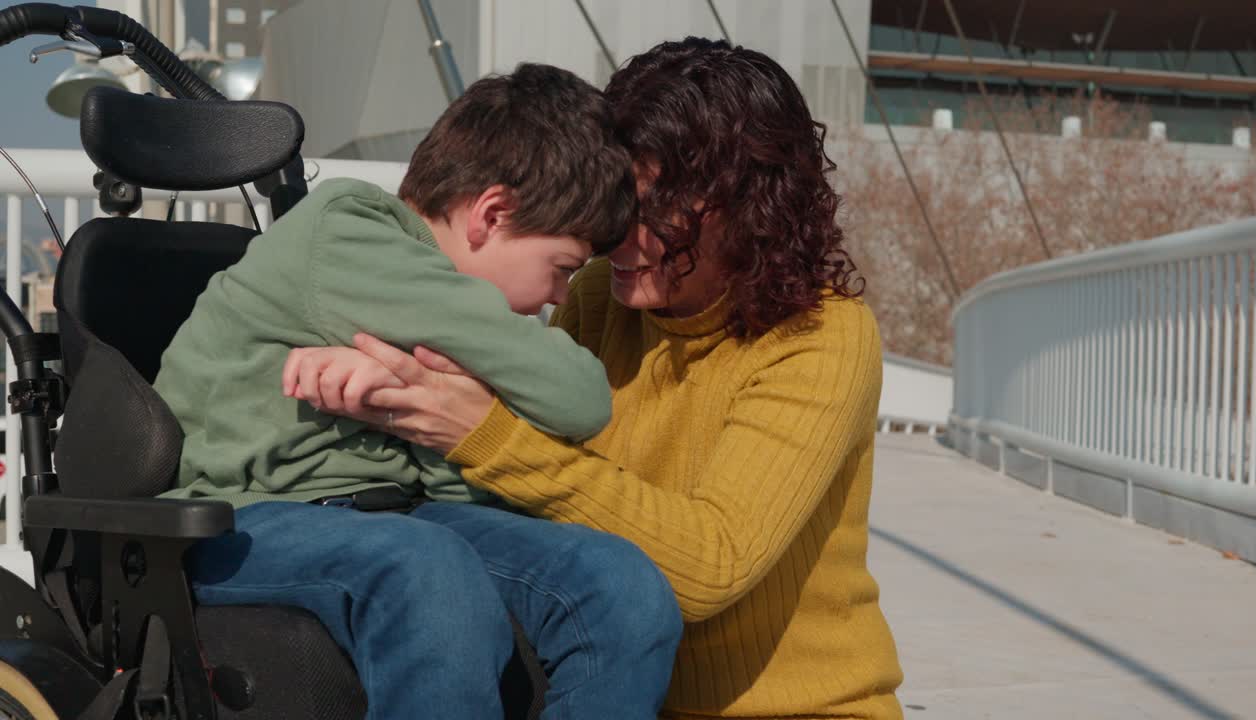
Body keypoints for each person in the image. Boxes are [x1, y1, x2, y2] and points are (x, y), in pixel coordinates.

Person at [290, 38, 905, 719]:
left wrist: (486, 434)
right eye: (613, 203)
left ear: (752, 209)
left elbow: (711, 568)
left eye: (651, 210)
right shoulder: (596, 298)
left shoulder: (819, 334)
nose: (616, 236)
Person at [154, 63, 682, 719]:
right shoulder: (348, 235)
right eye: (561, 268)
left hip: (397, 516)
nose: (557, 297)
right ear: (492, 214)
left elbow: (453, 484)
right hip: (246, 520)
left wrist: (425, 388)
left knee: (620, 585)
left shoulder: (420, 303)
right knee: (430, 570)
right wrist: (457, 377)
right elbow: (581, 397)